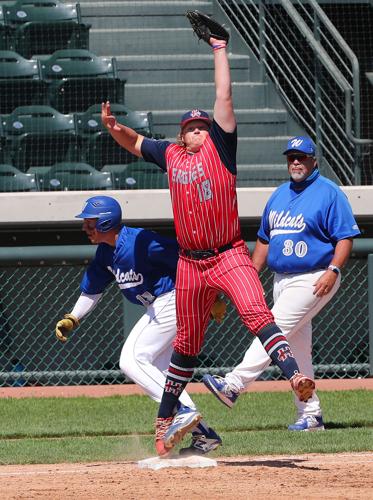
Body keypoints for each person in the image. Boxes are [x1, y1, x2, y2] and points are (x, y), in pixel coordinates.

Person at [101, 30, 316, 458]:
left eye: (203, 125)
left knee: (257, 314)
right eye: (193, 127)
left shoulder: (222, 148)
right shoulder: (172, 155)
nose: (200, 130)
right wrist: (114, 128)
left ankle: (295, 377)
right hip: (190, 264)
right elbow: (136, 143)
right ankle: (166, 423)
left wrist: (220, 48)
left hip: (229, 254)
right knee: (186, 346)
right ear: (182, 134)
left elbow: (225, 96)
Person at [202, 136, 361, 431]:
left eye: (301, 157)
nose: (296, 162)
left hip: (314, 277)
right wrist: (248, 276)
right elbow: (264, 240)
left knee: (271, 329)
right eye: (291, 157)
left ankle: (234, 385)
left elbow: (345, 237)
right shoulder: (279, 195)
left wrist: (334, 270)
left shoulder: (329, 193)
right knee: (297, 347)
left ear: (314, 160)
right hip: (282, 279)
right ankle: (311, 415)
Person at [55, 195, 223, 456]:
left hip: (175, 297)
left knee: (132, 359)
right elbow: (92, 290)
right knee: (160, 374)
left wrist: (212, 294)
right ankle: (204, 435)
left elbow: (186, 259)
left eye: (90, 223)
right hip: (161, 305)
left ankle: (186, 413)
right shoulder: (105, 253)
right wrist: (74, 317)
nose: (85, 228)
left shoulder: (140, 241)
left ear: (106, 221)